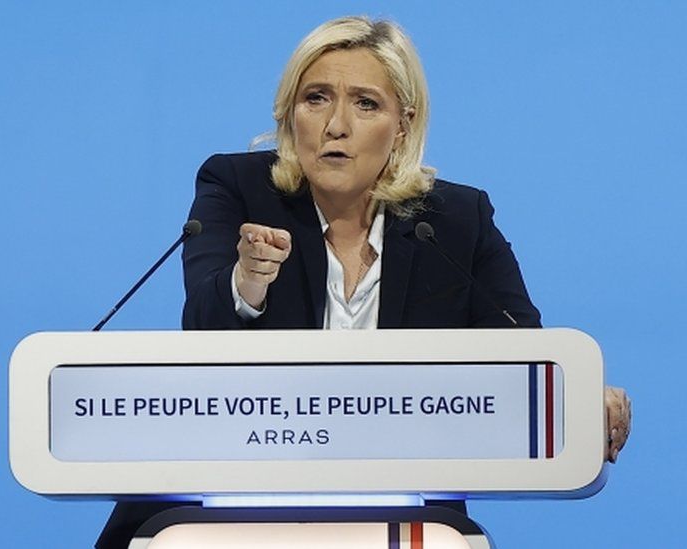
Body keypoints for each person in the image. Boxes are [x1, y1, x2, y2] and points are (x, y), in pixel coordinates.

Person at [97, 15, 631, 549]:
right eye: (316, 98)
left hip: (402, 509)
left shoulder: (455, 220)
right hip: (216, 504)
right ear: (289, 116)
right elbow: (204, 324)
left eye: (366, 103)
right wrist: (247, 281)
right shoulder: (236, 187)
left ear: (403, 123)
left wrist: (578, 396)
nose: (336, 125)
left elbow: (522, 353)